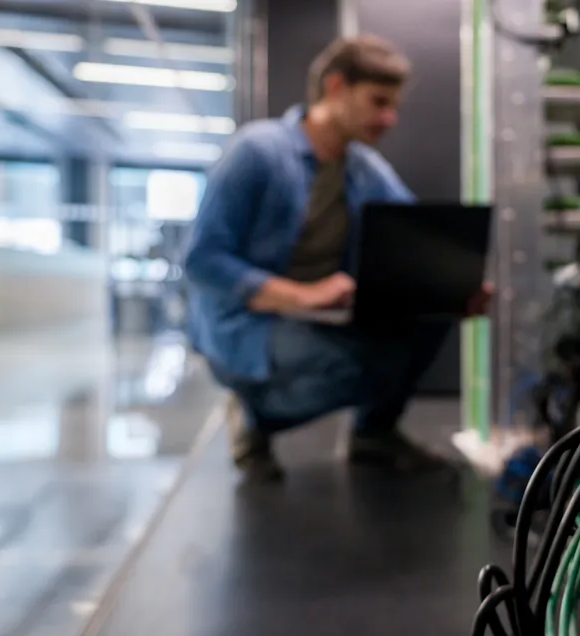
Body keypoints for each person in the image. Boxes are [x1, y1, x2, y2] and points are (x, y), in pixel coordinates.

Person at [183, 35, 489, 482]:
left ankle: (374, 435)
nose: (390, 118)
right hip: (248, 322)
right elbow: (202, 259)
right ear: (335, 87)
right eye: (378, 101)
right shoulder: (257, 151)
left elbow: (415, 242)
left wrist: (452, 287)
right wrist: (301, 295)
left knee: (429, 317)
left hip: (318, 316)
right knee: (357, 364)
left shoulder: (366, 169)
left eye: (394, 105)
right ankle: (253, 417)